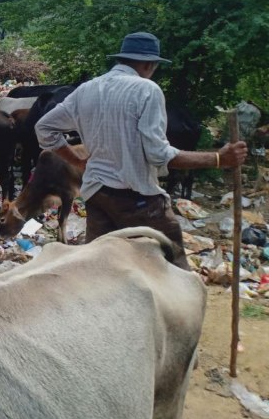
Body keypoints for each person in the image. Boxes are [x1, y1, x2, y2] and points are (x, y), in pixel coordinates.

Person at [35, 32, 248, 269]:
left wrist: (77, 161)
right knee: (173, 266)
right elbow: (159, 155)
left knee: (102, 268)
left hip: (97, 195)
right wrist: (218, 158)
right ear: (149, 64)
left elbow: (44, 128)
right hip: (137, 198)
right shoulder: (147, 90)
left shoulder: (87, 89)